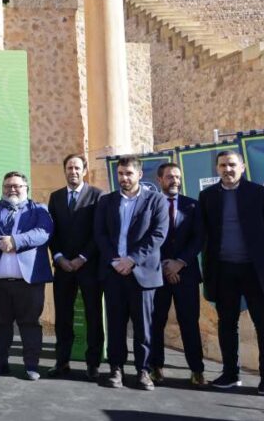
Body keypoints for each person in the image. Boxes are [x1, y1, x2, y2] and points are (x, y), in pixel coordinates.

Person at [199, 150, 264, 396]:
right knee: (227, 324)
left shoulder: (260, 194)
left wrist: (260, 253)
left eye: (232, 165)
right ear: (217, 169)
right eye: (223, 165)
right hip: (224, 270)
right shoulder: (207, 197)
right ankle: (230, 373)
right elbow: (205, 233)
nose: (228, 169)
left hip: (256, 271)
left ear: (243, 167)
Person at [94, 156, 168, 390]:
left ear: (139, 175)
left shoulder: (156, 200)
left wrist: (132, 260)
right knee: (115, 325)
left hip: (143, 274)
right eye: (120, 174)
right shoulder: (106, 201)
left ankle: (143, 371)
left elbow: (158, 235)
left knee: (144, 327)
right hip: (114, 272)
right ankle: (116, 369)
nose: (124, 178)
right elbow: (100, 234)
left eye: (128, 174)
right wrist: (115, 261)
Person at [0, 172, 54, 381]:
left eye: (17, 186)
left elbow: (43, 232)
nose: (12, 189)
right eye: (7, 186)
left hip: (29, 282)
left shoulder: (40, 209)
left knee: (30, 324)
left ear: (26, 188)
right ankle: (0, 363)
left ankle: (31, 366)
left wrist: (15, 241)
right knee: (0, 324)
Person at [47, 153, 105, 381]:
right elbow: (52, 232)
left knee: (93, 317)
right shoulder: (56, 197)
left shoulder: (98, 196)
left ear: (84, 170)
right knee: (63, 318)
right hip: (63, 268)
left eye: (77, 168)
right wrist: (59, 257)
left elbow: (98, 232)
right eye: (69, 167)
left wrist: (82, 257)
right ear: (65, 170)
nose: (73, 171)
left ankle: (93, 364)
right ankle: (62, 362)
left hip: (89, 267)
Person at [149, 163, 206, 386]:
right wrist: (165, 265)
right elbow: (147, 236)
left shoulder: (193, 205)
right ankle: (155, 367)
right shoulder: (150, 205)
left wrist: (179, 263)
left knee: (189, 323)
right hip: (156, 273)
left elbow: (198, 238)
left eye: (177, 177)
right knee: (156, 322)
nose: (175, 181)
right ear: (160, 180)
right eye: (170, 177)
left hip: (186, 274)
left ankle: (197, 370)